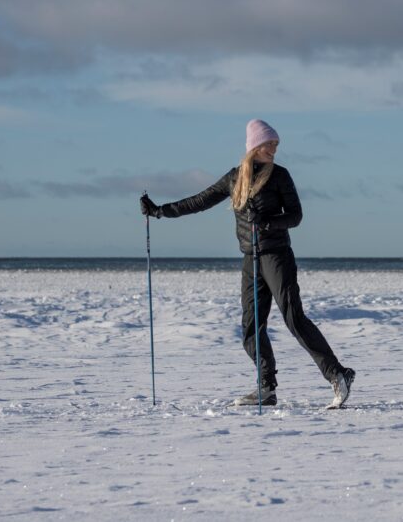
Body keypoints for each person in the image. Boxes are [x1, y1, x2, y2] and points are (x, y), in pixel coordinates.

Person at [140, 119, 355, 408]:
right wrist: (159, 211)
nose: (274, 150)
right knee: (251, 327)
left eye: (276, 145)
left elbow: (296, 216)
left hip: (277, 256)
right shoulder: (234, 178)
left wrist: (267, 222)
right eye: (269, 144)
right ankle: (266, 387)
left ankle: (338, 374)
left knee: (294, 318)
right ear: (254, 146)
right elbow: (200, 201)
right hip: (250, 259)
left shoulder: (279, 176)